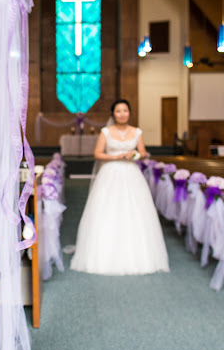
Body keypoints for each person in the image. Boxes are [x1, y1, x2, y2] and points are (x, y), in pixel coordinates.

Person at [70, 99, 170, 275]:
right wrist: (117, 157)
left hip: (132, 173)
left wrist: (135, 154)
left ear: (129, 113)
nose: (122, 114)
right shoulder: (105, 132)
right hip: (110, 173)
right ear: (113, 114)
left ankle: (138, 254)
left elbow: (143, 153)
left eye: (125, 110)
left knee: (135, 211)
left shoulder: (137, 132)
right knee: (107, 209)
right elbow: (97, 154)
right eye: (118, 111)